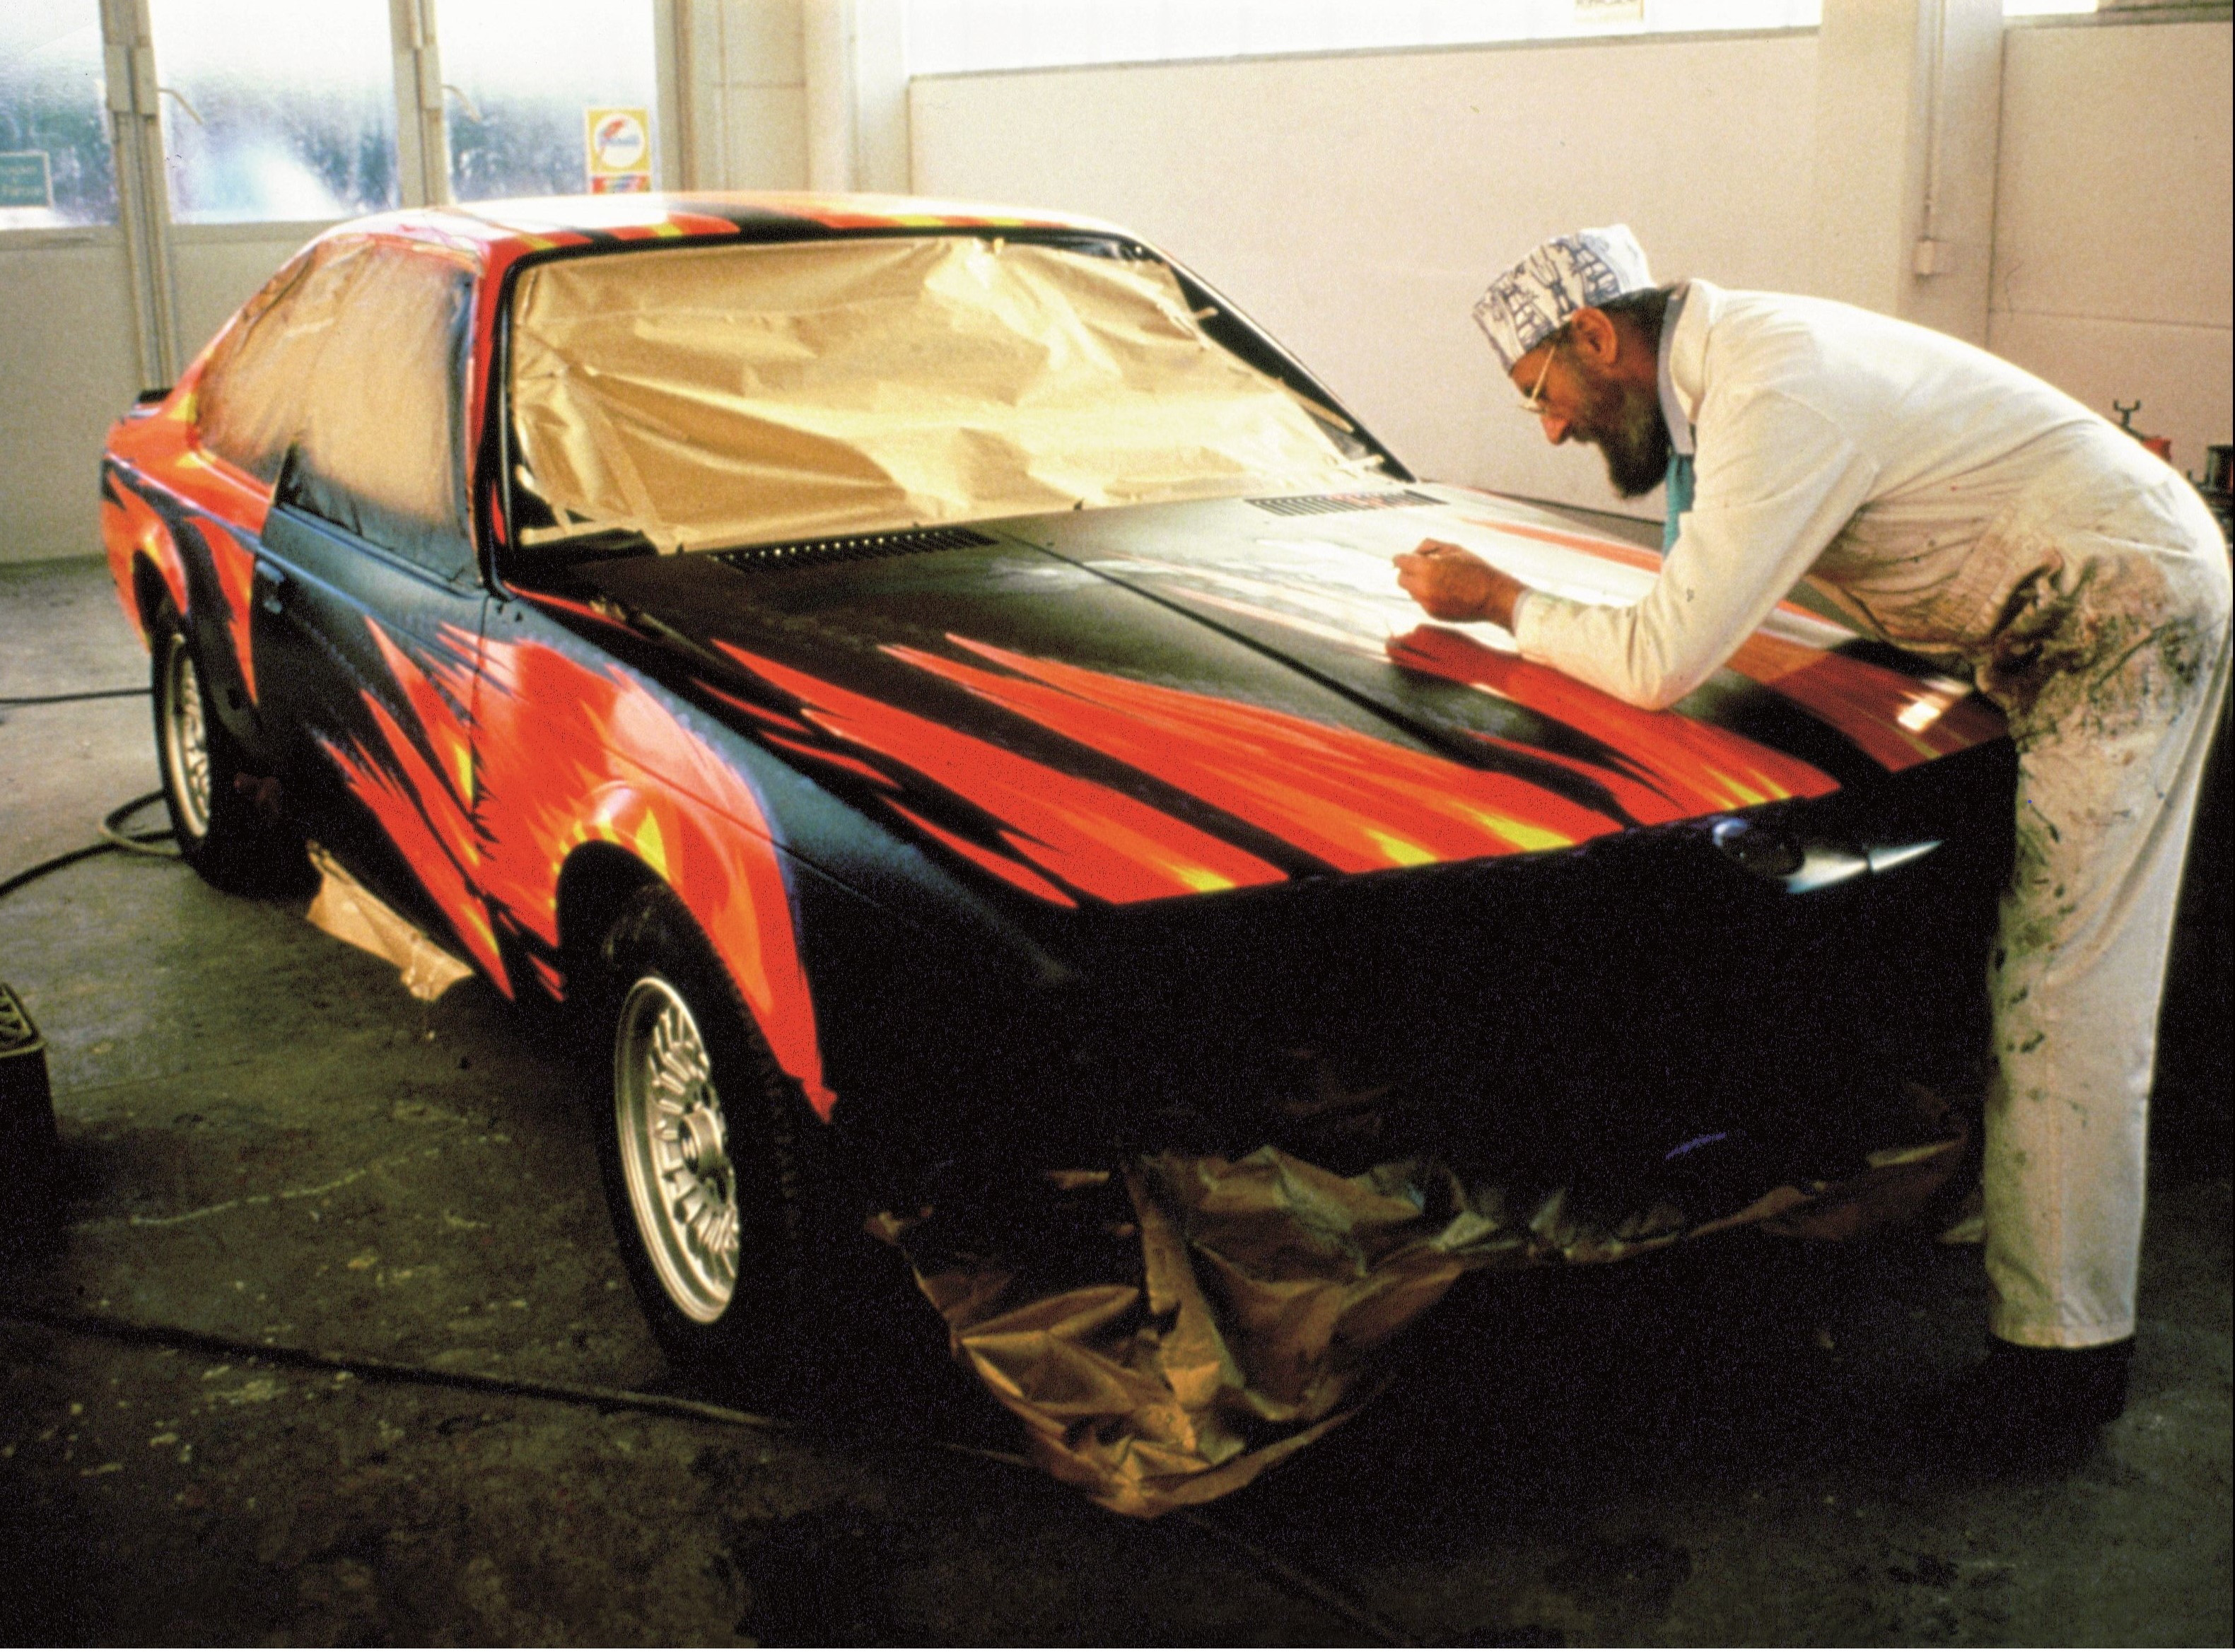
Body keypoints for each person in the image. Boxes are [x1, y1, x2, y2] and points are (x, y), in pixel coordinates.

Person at [1395, 226, 2231, 1453]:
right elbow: (1713, 595)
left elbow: (1662, 656)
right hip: (2028, 608)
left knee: (2066, 990)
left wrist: (1498, 602)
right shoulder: (1735, 373)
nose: (1551, 431)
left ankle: (2061, 1370)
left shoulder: (1771, 387)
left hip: (2112, 613)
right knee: (1998, 945)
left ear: (1593, 335)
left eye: (1544, 394)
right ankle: (1970, 1196)